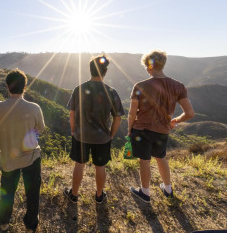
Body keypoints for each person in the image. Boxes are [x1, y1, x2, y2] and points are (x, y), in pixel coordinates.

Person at [128, 51, 194, 203]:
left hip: (142, 129)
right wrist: (175, 121)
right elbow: (190, 113)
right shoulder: (178, 86)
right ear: (163, 65)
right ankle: (168, 189)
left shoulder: (140, 86)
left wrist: (129, 129)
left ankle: (145, 192)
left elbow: (132, 113)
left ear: (148, 67)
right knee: (161, 157)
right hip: (163, 129)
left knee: (144, 160)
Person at [63, 55, 125, 204]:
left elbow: (72, 114)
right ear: (105, 71)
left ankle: (74, 194)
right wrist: (110, 134)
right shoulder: (111, 91)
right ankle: (99, 196)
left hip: (81, 136)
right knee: (100, 166)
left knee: (79, 164)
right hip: (102, 138)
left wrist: (73, 130)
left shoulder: (79, 89)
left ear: (90, 70)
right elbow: (118, 117)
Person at [0, 69, 46, 233]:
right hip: (30, 156)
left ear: (7, 87)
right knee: (32, 193)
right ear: (25, 87)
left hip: (8, 157)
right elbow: (41, 129)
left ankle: (3, 222)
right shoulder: (34, 108)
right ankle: (30, 226)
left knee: (7, 191)